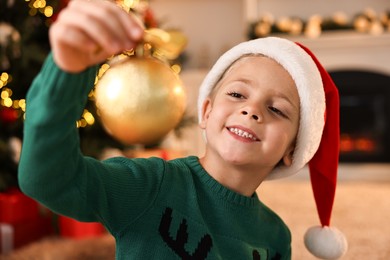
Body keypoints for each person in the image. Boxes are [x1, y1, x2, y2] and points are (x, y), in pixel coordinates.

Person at [18, 0, 347, 259]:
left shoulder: (276, 236)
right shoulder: (151, 185)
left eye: (276, 109)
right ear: (206, 111)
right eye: (236, 94)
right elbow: (48, 181)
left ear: (293, 149)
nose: (252, 110)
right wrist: (67, 70)